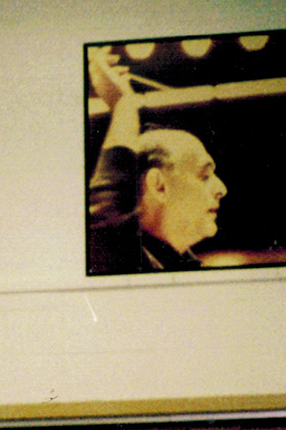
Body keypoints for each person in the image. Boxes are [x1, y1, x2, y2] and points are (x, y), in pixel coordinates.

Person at [86, 47, 229, 275]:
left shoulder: (180, 265)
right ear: (159, 186)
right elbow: (106, 216)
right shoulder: (114, 261)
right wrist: (124, 105)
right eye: (204, 176)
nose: (222, 188)